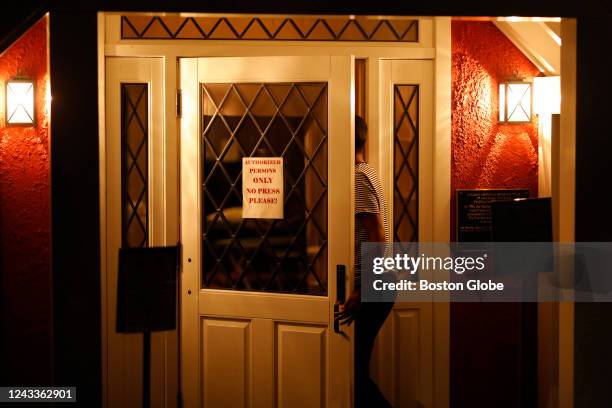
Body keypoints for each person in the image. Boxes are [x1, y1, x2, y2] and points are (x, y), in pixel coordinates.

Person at [336, 116, 395, 407]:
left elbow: (377, 236)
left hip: (375, 285)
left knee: (353, 376)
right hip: (377, 283)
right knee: (353, 372)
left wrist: (363, 289)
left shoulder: (358, 176)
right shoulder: (365, 171)